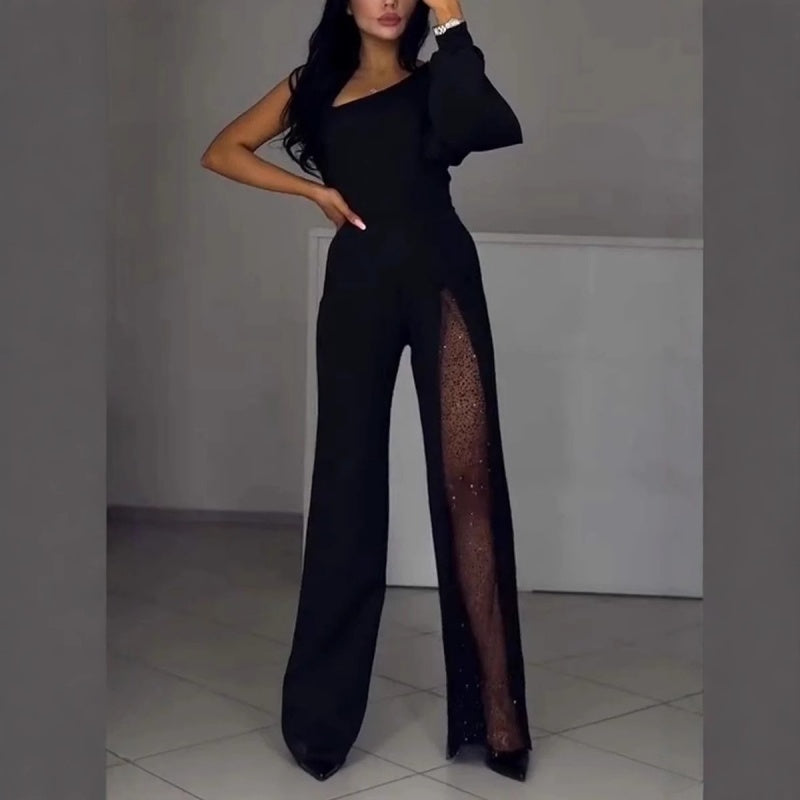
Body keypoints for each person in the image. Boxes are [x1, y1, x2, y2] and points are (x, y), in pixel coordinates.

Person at [201, 0, 531, 783]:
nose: (387, 1)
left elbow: (492, 125)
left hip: (443, 280)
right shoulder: (310, 85)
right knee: (345, 488)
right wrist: (312, 193)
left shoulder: (441, 82)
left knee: (469, 484)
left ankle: (497, 716)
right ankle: (321, 722)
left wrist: (453, 21)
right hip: (357, 287)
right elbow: (222, 151)